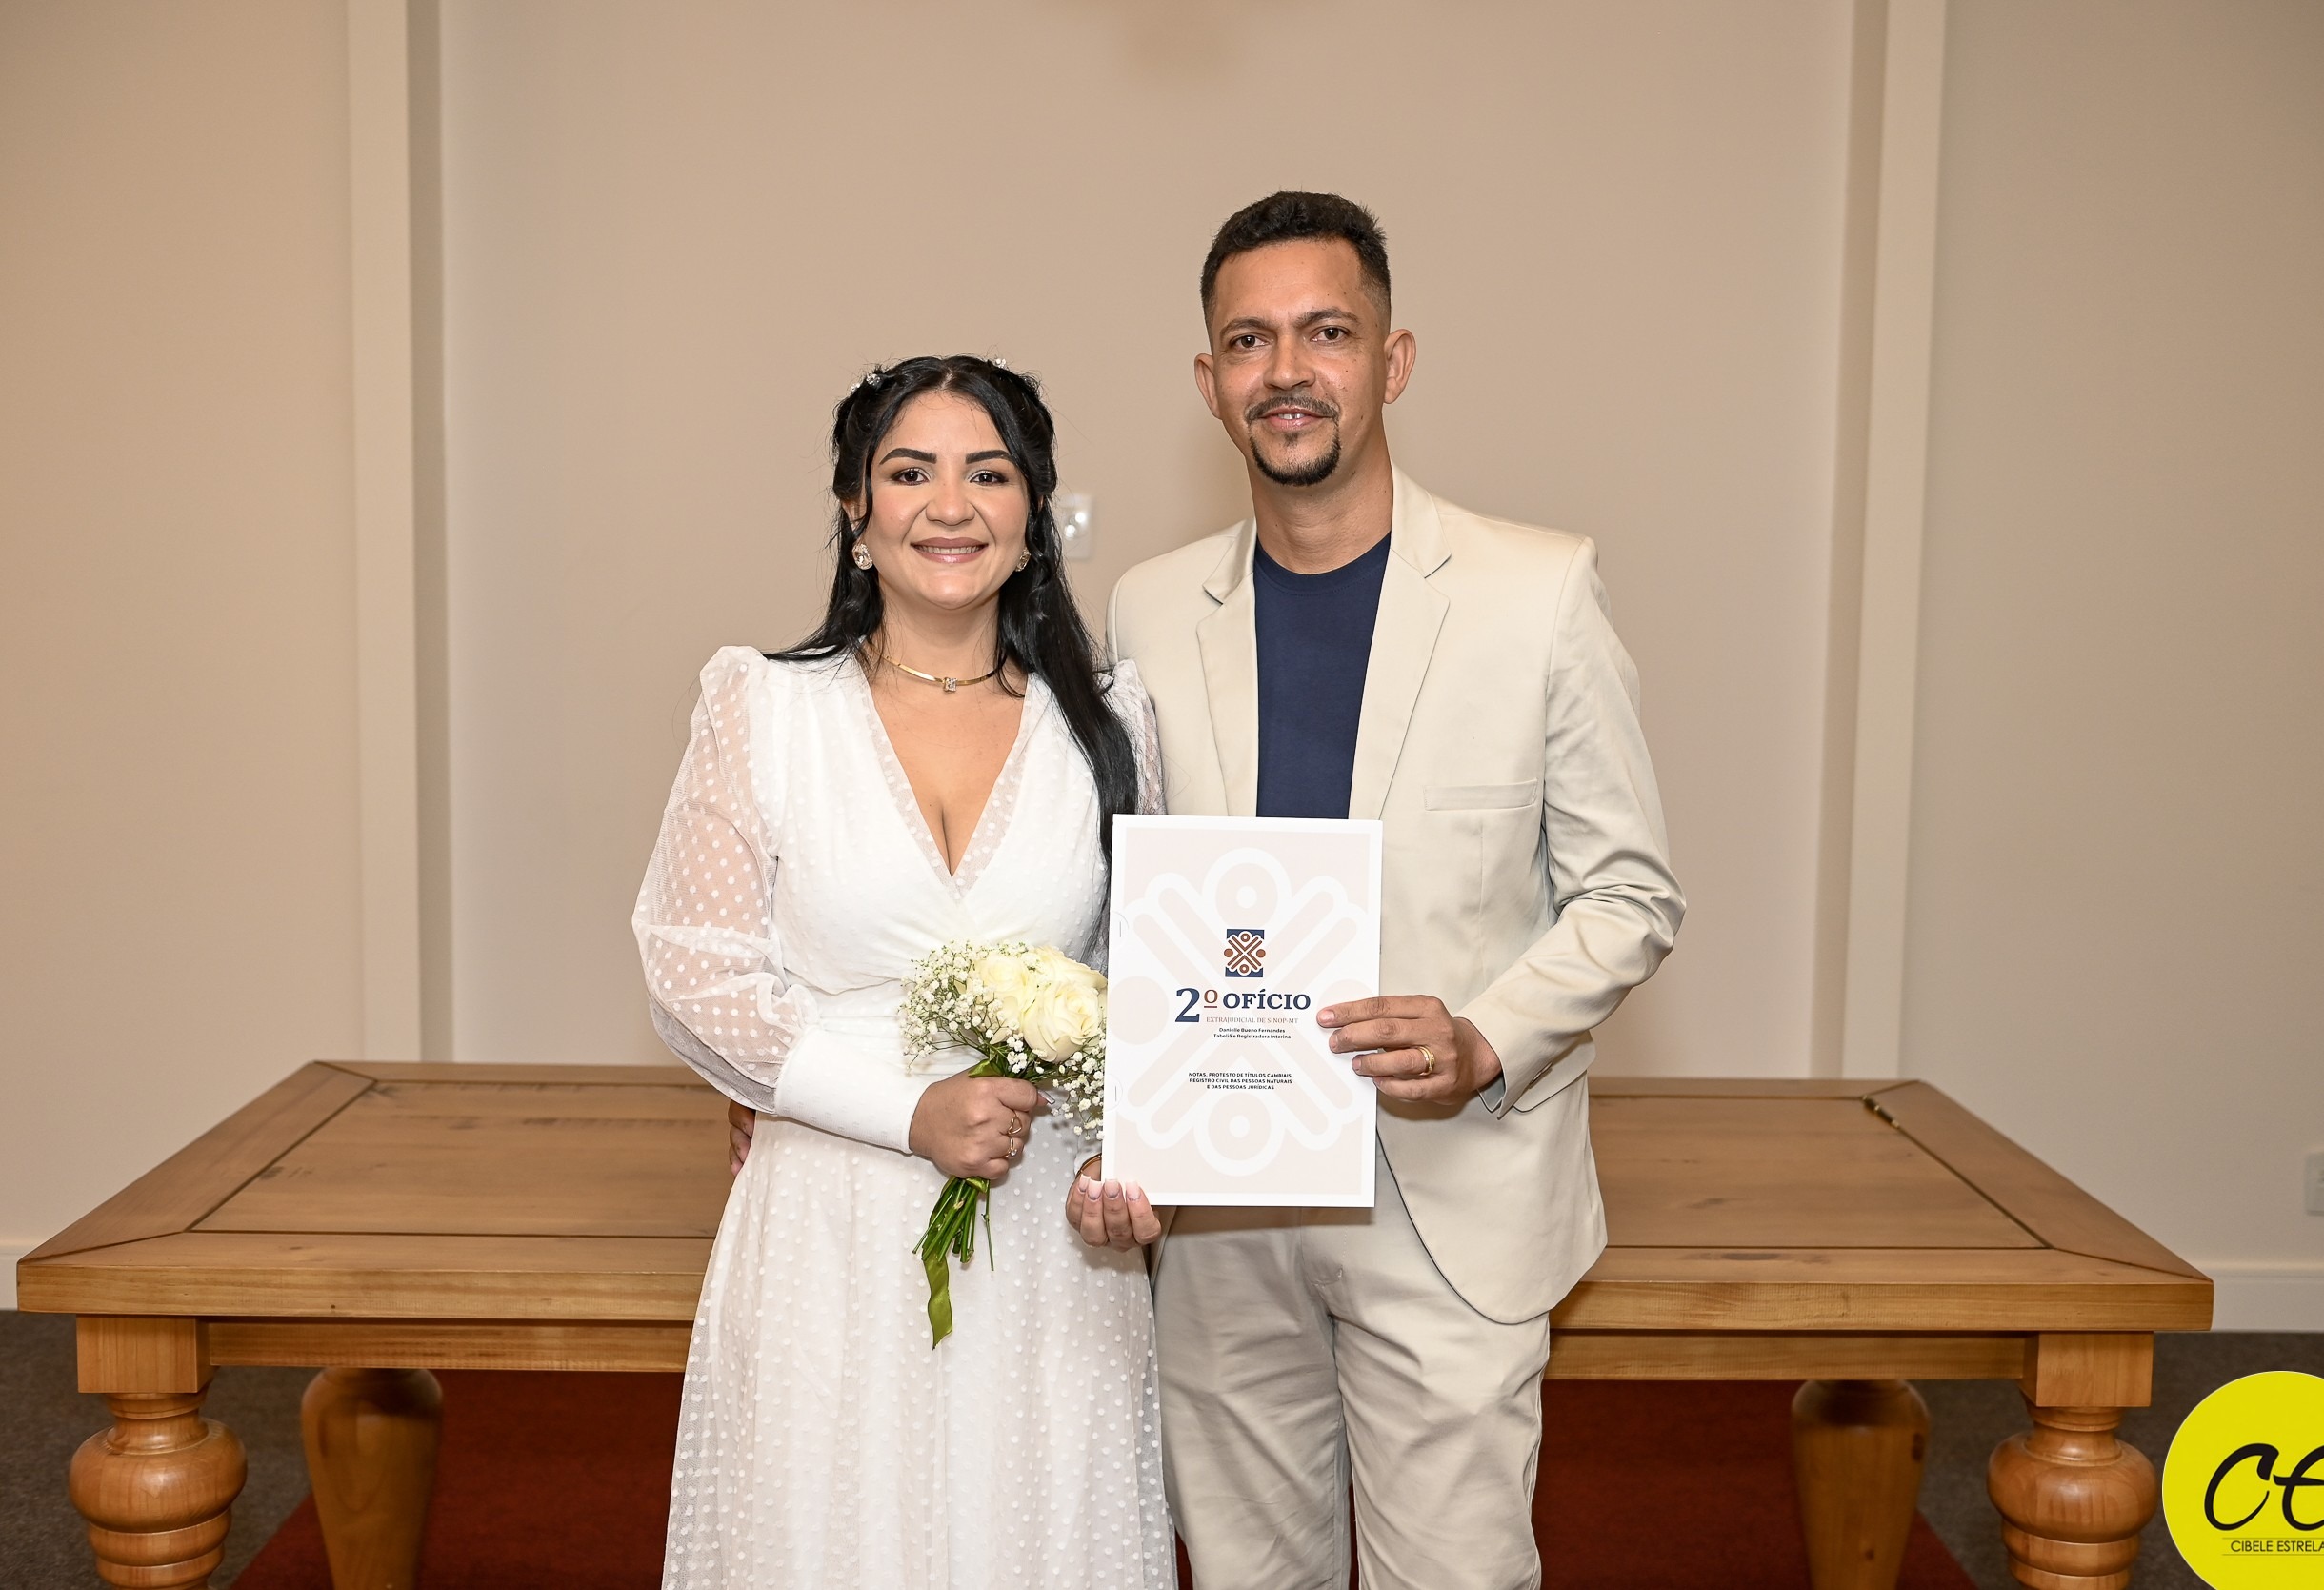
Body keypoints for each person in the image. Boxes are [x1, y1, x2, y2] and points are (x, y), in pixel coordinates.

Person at [1091, 191, 1685, 1590]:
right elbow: (1122, 890)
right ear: (1209, 381)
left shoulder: (1539, 592)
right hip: (1222, 1208)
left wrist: (1484, 1037)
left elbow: (1629, 892)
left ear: (1393, 360)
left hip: (1451, 1192)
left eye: (1327, 332)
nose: (1286, 370)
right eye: (1249, 340)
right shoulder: (1148, 609)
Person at [631, 355, 1175, 1589]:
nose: (951, 505)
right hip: (831, 1216)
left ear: (1033, 514)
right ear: (855, 510)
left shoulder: (1109, 722)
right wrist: (904, 1111)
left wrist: (1137, 1158)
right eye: (910, 472)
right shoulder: (764, 706)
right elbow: (695, 972)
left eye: (990, 473)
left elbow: (1151, 985)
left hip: (1046, 1236)